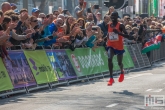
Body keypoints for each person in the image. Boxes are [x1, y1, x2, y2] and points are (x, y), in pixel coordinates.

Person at [106, 11, 129, 86]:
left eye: (114, 16)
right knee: (109, 59)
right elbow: (108, 34)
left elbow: (126, 35)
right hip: (111, 45)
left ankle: (122, 71)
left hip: (119, 46)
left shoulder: (121, 25)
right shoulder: (108, 25)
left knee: (119, 63)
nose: (112, 17)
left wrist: (119, 33)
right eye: (111, 16)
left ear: (117, 17)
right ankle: (111, 78)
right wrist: (105, 38)